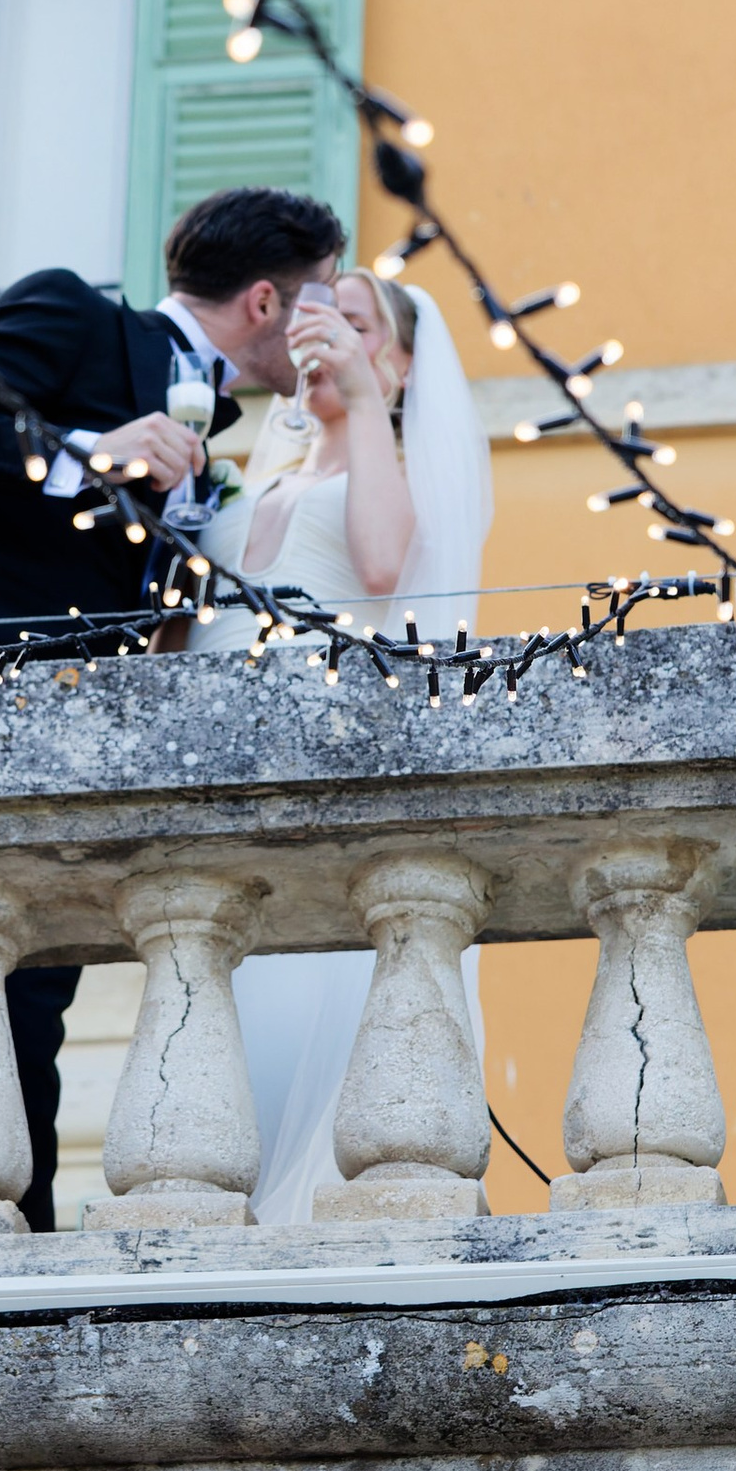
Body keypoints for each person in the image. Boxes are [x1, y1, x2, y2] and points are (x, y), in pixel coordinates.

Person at [0, 184, 345, 1244]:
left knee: (29, 1009)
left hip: (70, 759)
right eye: (319, 298)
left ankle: (19, 1259)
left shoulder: (219, 445)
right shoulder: (76, 317)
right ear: (267, 300)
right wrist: (86, 451)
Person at [200, 269, 496, 1223]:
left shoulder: (397, 477)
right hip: (224, 788)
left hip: (315, 788)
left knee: (302, 1033)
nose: (321, 338)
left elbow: (379, 566)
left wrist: (363, 402)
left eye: (354, 326)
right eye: (315, 320)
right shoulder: (267, 473)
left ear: (401, 364)